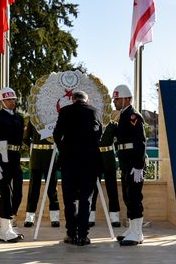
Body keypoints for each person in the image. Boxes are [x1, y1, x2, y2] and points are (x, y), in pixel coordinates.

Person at [52, 90, 102, 246]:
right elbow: (98, 134)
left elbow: (56, 134)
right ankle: (83, 235)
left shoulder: (65, 111)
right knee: (85, 199)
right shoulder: (94, 111)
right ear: (86, 100)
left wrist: (64, 148)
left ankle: (71, 234)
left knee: (70, 199)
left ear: (73, 100)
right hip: (88, 162)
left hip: (69, 162)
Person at [0, 87, 25, 243]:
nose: (12, 102)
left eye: (13, 99)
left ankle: (8, 225)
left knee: (18, 194)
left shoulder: (19, 118)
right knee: (5, 194)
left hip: (15, 160)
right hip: (1, 160)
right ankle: (5, 230)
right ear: (1, 101)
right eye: (8, 99)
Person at [112, 84, 146, 246]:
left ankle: (138, 233)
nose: (115, 102)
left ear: (127, 99)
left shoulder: (133, 116)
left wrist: (139, 165)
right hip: (127, 162)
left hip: (134, 162)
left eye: (117, 99)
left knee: (134, 196)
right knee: (127, 196)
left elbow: (140, 142)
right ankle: (132, 229)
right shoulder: (124, 116)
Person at [22, 123, 60, 228]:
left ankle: (55, 217)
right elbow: (25, 138)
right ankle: (29, 217)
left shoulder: (54, 119)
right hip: (36, 157)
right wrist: (34, 146)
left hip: (50, 155)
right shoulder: (34, 119)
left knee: (52, 188)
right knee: (33, 189)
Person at [89, 118, 121, 228]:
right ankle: (90, 216)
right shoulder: (91, 123)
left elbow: (119, 140)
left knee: (112, 189)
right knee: (92, 189)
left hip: (108, 159)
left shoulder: (112, 124)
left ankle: (114, 216)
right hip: (95, 158)